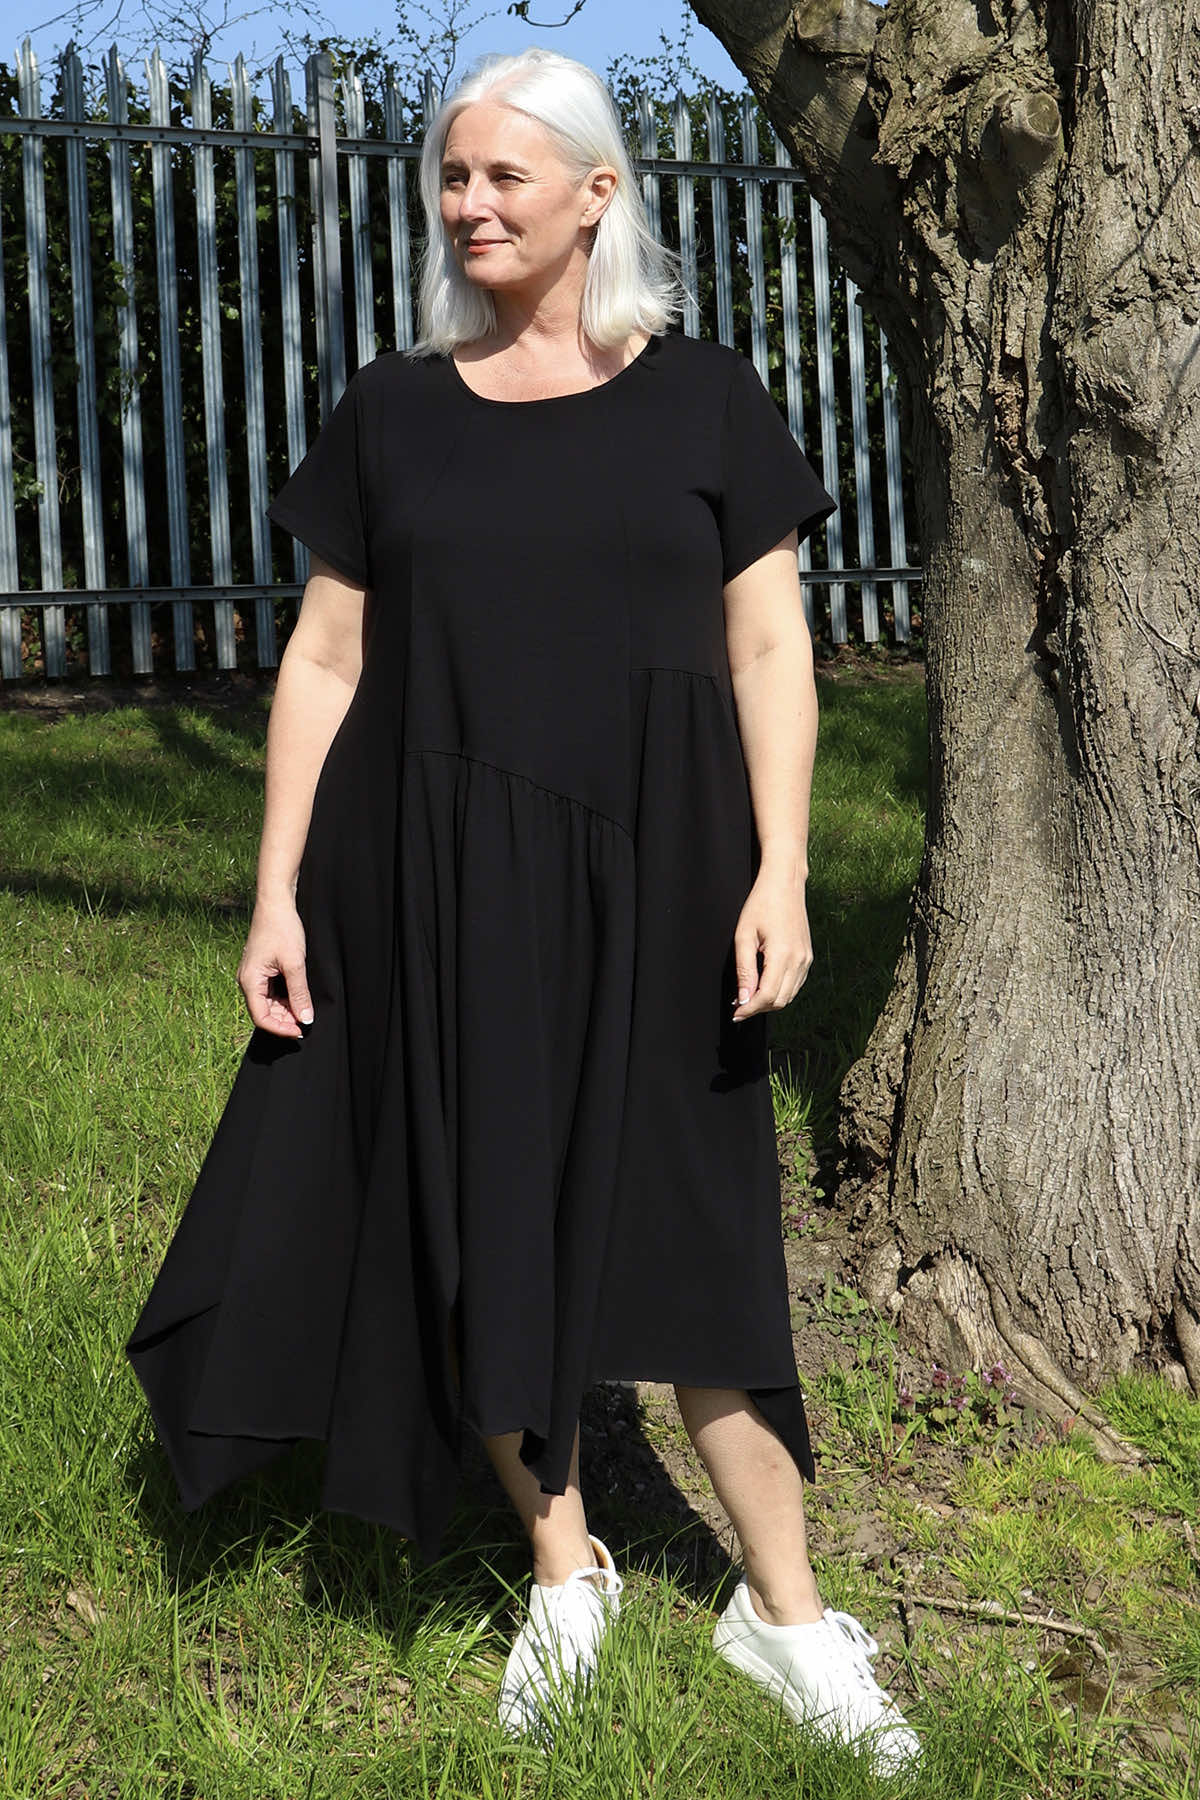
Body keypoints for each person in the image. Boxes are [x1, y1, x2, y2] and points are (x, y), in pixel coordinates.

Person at [125, 45, 921, 1777]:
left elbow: (769, 647)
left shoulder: (706, 398)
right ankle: (569, 1570)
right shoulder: (395, 411)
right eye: (452, 175)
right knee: (478, 1217)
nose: (469, 204)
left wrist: (783, 867)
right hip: (435, 871)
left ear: (595, 193)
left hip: (672, 872)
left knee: (700, 1235)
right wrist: (276, 890)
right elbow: (326, 660)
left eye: (504, 176)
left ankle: (787, 1616)